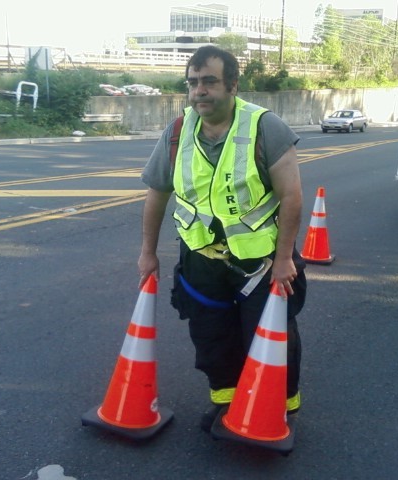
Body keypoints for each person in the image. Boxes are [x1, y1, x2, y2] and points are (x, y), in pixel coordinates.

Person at [138, 45, 306, 432]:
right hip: (201, 259)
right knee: (211, 336)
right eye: (193, 83)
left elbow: (292, 196)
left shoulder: (264, 126)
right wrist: (148, 253)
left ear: (232, 84)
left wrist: (285, 260)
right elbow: (156, 193)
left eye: (209, 81)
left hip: (260, 261)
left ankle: (278, 405)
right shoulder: (178, 131)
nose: (199, 91)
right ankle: (226, 400)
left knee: (270, 336)